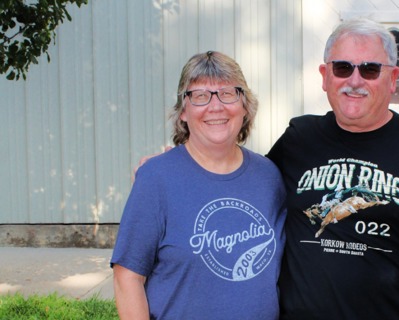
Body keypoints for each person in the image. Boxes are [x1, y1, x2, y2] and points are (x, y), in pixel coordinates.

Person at [267, 18, 399, 319]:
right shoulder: (296, 140)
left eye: (370, 69)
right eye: (342, 68)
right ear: (325, 76)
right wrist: (188, 159)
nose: (355, 81)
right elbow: (243, 183)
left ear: (393, 79)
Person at [111, 51, 286, 319]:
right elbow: (128, 278)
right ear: (183, 111)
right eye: (200, 95)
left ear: (245, 106)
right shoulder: (156, 178)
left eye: (228, 93)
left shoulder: (269, 176)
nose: (215, 106)